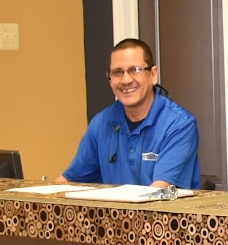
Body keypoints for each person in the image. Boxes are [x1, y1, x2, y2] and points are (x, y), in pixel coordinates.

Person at [61, 38, 200, 189]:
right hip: (113, 205)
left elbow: (160, 191)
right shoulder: (101, 123)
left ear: (153, 75)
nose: (126, 80)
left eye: (135, 70)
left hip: (156, 204)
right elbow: (69, 181)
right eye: (117, 72)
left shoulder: (179, 124)